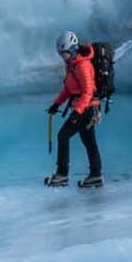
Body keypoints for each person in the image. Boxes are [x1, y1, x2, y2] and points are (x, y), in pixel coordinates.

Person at [45, 29, 103, 188]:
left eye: (63, 52)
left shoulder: (82, 65)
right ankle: (96, 176)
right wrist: (57, 103)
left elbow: (88, 91)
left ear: (72, 49)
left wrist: (78, 112)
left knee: (63, 135)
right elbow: (68, 89)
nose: (61, 56)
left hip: (86, 109)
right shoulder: (72, 65)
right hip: (84, 108)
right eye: (60, 53)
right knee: (89, 142)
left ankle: (62, 174)